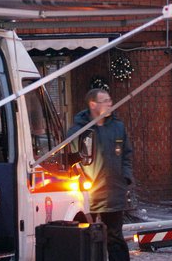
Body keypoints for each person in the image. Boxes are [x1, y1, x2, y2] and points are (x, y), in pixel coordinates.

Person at [67, 88, 133, 261]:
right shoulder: (79, 131)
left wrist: (125, 177)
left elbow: (126, 154)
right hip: (89, 194)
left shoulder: (118, 127)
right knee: (89, 237)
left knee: (115, 238)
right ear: (93, 104)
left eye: (110, 100)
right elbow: (70, 158)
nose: (110, 103)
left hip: (113, 192)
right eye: (105, 100)